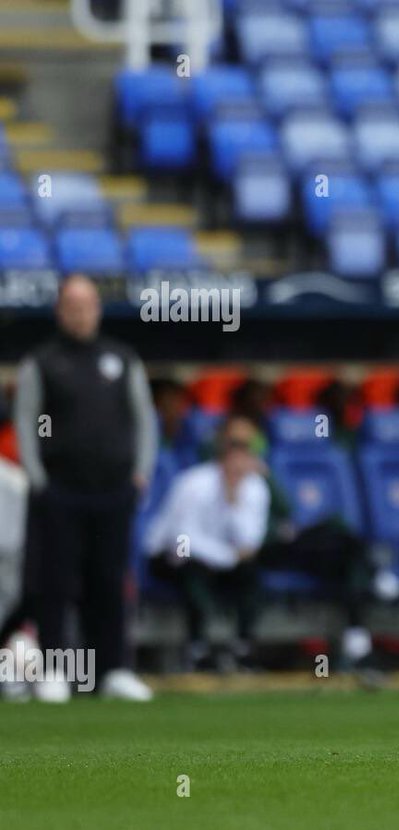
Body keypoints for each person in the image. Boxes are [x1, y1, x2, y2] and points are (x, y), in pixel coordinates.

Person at [14, 274, 157, 701]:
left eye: (87, 305)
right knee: (55, 583)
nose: (80, 314)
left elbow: (143, 420)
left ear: (97, 308)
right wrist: (39, 480)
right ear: (60, 310)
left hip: (114, 490)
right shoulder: (42, 362)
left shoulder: (121, 359)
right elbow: (26, 421)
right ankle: (56, 670)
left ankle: (111, 670)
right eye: (72, 306)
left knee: (110, 583)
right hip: (60, 491)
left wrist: (140, 473)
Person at [145, 415, 268, 670]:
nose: (238, 456)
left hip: (220, 559)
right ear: (222, 450)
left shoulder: (256, 488)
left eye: (244, 450)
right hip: (171, 555)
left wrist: (233, 499)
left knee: (251, 573)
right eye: (233, 448)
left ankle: (242, 647)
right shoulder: (193, 482)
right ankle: (197, 648)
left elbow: (249, 542)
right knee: (195, 571)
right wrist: (226, 557)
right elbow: (180, 538)